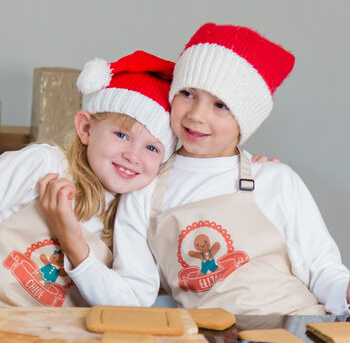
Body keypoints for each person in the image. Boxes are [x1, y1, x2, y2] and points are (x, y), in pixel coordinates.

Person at [90, 23, 350, 315]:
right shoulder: (144, 190)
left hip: (299, 326)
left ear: (245, 120)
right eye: (187, 93)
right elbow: (133, 292)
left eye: (221, 105)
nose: (196, 115)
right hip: (209, 334)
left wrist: (346, 291)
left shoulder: (276, 179)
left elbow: (324, 270)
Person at [0, 50, 177, 307]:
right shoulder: (45, 164)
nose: (132, 156)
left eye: (152, 148)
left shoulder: (137, 216)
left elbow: (131, 304)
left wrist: (73, 242)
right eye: (121, 135)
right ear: (86, 128)